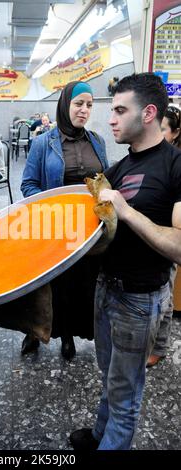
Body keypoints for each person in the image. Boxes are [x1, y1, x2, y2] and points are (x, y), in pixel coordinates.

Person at [70, 73, 181, 451]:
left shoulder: (174, 167)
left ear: (149, 113)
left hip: (139, 300)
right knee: (112, 378)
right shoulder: (120, 168)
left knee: (126, 393)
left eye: (120, 110)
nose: (111, 119)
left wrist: (127, 211)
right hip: (107, 291)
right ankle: (100, 435)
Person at [20, 81, 108, 359]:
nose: (84, 110)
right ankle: (34, 331)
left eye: (89, 105)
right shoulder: (42, 143)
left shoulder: (98, 141)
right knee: (47, 284)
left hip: (87, 230)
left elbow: (103, 181)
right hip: (53, 226)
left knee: (77, 284)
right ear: (64, 104)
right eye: (79, 104)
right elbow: (29, 184)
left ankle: (67, 334)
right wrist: (56, 209)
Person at [146, 105, 181, 367]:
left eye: (163, 130)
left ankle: (159, 347)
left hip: (169, 236)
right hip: (155, 234)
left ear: (175, 132)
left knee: (166, 294)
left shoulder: (175, 162)